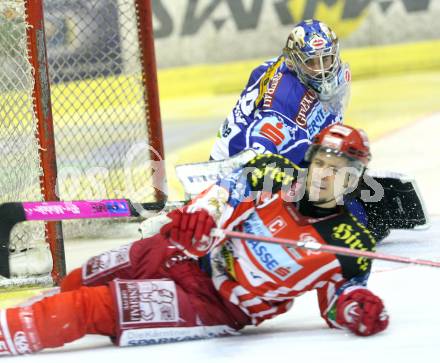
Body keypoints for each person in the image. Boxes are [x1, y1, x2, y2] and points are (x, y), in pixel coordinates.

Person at [0, 125, 389, 356]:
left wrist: (355, 308)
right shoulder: (275, 176)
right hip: (182, 252)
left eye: (337, 170)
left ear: (354, 179)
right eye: (320, 162)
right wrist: (202, 213)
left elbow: (338, 300)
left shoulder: (351, 242)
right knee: (80, 280)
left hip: (211, 303)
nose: (323, 175)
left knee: (89, 307)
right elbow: (226, 189)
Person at [210, 19, 351, 165]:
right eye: (310, 62)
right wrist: (263, 163)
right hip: (236, 157)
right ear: (293, 63)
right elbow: (262, 139)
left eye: (326, 58)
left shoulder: (331, 73)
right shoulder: (285, 95)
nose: (320, 70)